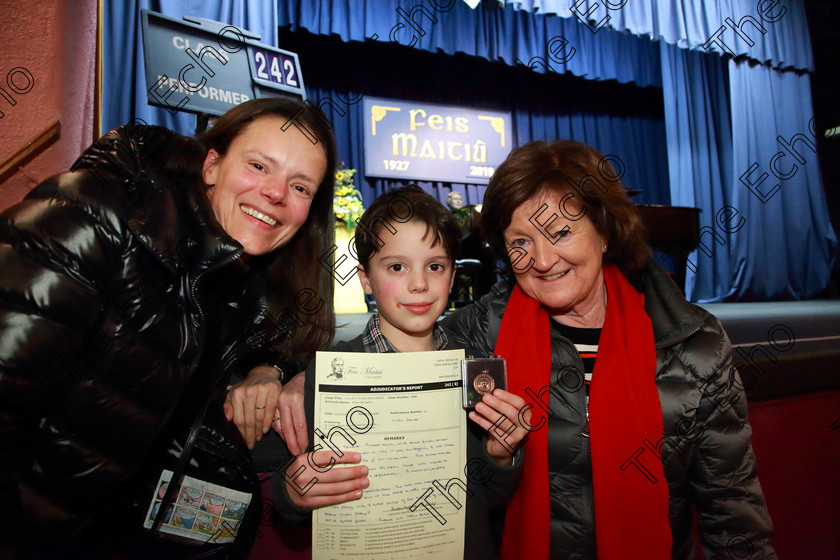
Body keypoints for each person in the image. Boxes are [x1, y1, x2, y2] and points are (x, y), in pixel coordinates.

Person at [0, 97, 337, 558]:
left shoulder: (252, 278)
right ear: (212, 164)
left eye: (300, 187)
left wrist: (269, 369)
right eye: (259, 166)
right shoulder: (96, 216)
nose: (276, 193)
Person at [441, 140, 776, 559]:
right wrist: (498, 462)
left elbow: (732, 507)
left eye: (561, 232)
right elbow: (446, 499)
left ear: (604, 231)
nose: (542, 260)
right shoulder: (470, 339)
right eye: (520, 243)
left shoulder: (694, 343)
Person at [270, 186, 528, 559]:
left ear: (452, 276)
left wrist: (502, 456)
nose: (419, 283)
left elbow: (490, 499)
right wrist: (293, 491)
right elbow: (287, 489)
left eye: (435, 266)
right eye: (396, 266)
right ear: (364, 278)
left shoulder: (476, 371)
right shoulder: (329, 375)